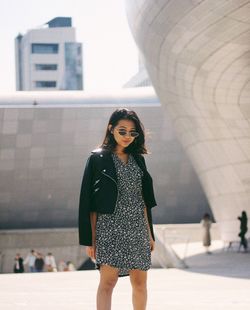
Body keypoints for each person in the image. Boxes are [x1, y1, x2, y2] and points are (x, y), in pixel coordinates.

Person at [78, 108, 157, 310]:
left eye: (132, 132)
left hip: (137, 228)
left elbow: (145, 200)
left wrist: (150, 234)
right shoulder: (97, 159)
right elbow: (88, 202)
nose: (127, 137)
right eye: (122, 131)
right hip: (109, 228)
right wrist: (90, 239)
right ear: (111, 129)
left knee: (140, 283)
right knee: (108, 283)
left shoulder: (139, 159)